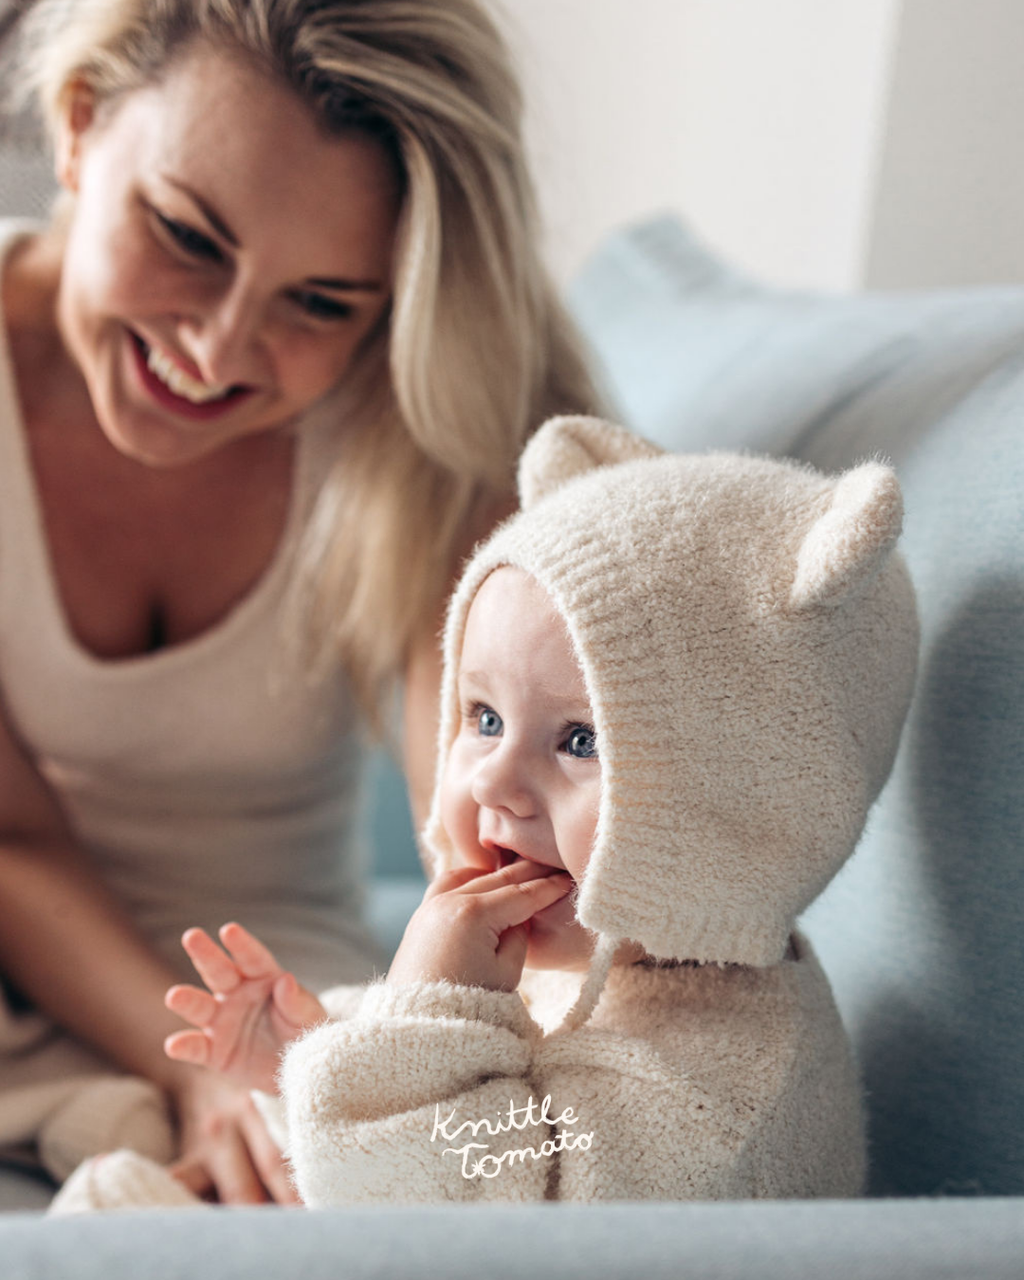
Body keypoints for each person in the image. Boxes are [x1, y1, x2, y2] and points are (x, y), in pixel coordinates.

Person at [0, 0, 599, 1204]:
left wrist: (298, 1062)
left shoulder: (415, 411)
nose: (218, 348)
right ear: (77, 127)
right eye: (184, 233)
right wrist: (194, 1075)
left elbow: (483, 820)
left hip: (295, 989)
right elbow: (11, 840)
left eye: (320, 302)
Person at [57, 414, 920, 1209]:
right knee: (113, 1197)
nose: (492, 784)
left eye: (580, 740)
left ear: (743, 793)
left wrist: (435, 1004)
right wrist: (305, 1059)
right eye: (484, 718)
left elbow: (462, 1214)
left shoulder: (713, 1100)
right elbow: (423, 1147)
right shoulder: (597, 962)